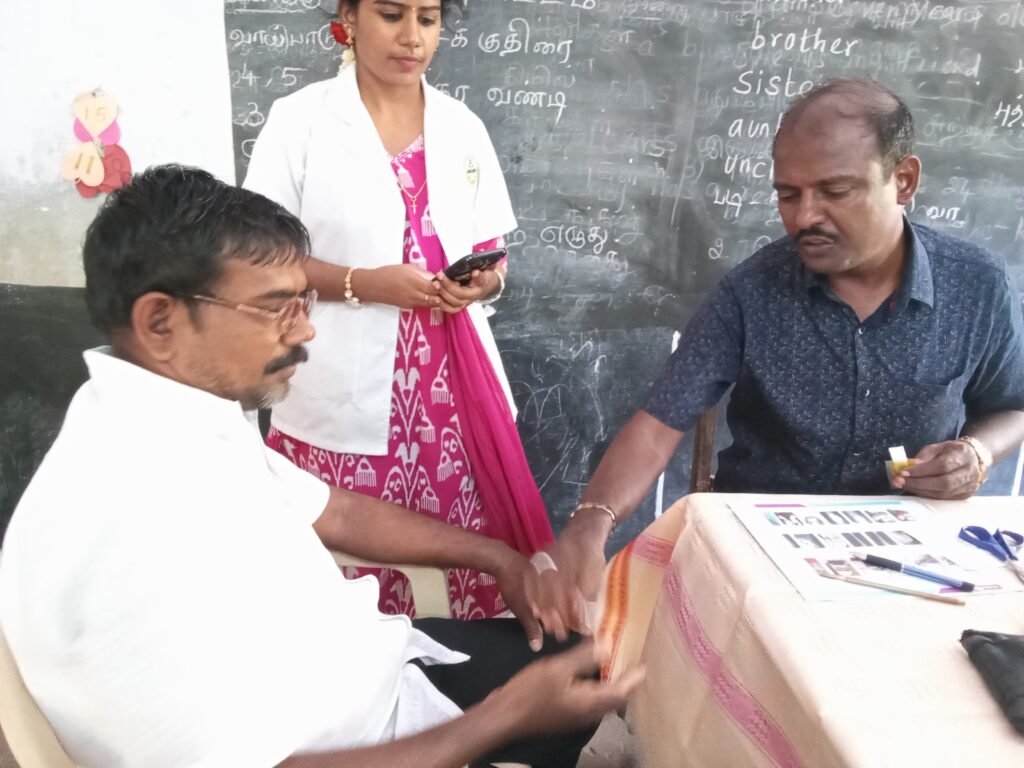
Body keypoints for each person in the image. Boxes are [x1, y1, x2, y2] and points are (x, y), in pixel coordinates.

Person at [0, 166, 642, 768]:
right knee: (558, 698)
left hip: (362, 678)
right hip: (356, 743)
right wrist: (505, 716)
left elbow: (336, 512)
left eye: (303, 302)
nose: (304, 331)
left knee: (575, 663)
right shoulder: (133, 522)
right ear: (160, 321)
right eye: (275, 307)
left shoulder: (164, 413)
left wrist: (498, 558)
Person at [524, 79, 1024, 640]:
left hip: (912, 559)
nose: (805, 216)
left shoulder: (975, 285)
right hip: (762, 560)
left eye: (834, 191)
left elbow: (1012, 406)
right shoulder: (752, 292)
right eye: (788, 195)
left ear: (903, 180)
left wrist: (977, 454)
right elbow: (660, 421)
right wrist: (591, 522)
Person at [243, 0, 551, 619]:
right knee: (340, 574)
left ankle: (451, 675)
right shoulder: (300, 121)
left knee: (456, 568)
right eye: (391, 14)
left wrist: (480, 286)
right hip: (337, 388)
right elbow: (259, 261)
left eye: (428, 18)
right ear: (350, 16)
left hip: (452, 397)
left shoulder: (463, 126)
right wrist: (362, 284)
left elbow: (494, 257)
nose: (412, 37)